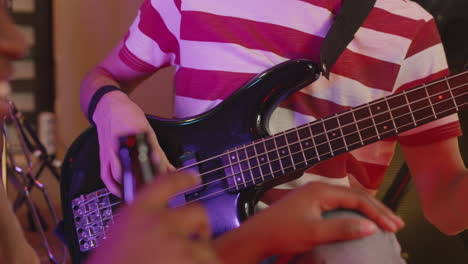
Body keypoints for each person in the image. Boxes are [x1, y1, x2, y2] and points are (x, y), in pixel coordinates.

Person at [80, 0, 467, 262]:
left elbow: (445, 210)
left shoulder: (411, 27)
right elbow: (101, 77)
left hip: (332, 246)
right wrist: (112, 107)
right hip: (197, 243)